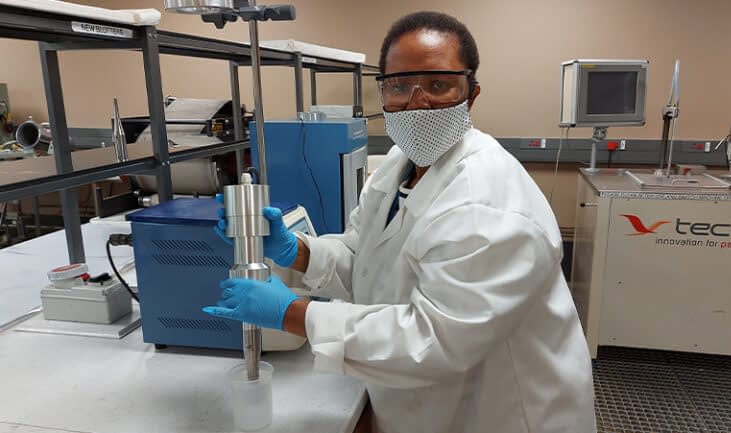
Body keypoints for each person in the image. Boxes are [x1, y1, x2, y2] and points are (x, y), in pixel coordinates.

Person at [205, 11, 596, 433]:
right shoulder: (399, 164)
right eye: (399, 86)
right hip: (422, 404)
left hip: (503, 414)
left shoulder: (486, 203)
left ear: (471, 94)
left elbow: (433, 340)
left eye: (438, 85)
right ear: (383, 92)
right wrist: (297, 251)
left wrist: (294, 315)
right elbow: (367, 260)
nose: (417, 102)